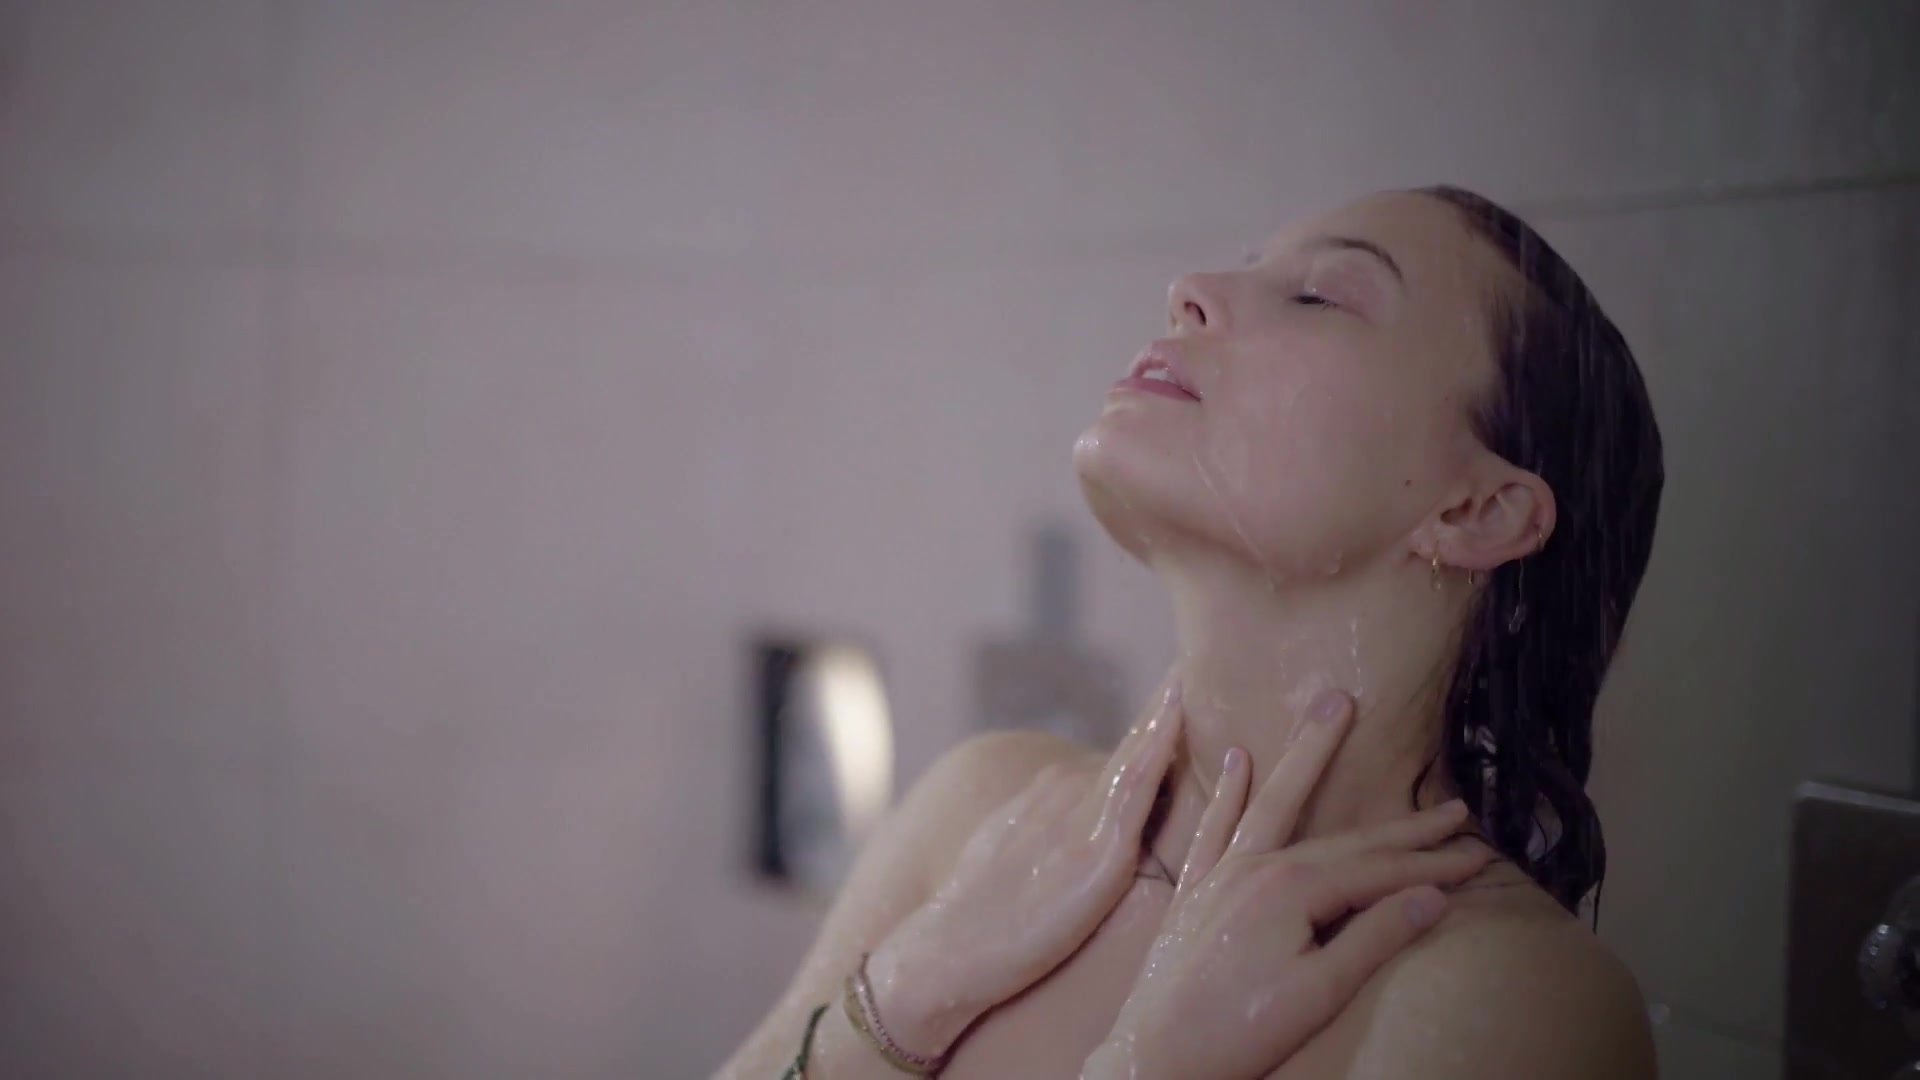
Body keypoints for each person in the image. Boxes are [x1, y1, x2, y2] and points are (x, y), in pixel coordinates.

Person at [717, 185, 1664, 1079]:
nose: (1189, 291)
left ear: (1477, 511)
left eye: (1319, 296)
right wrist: (903, 995)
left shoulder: (1514, 997)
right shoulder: (987, 812)